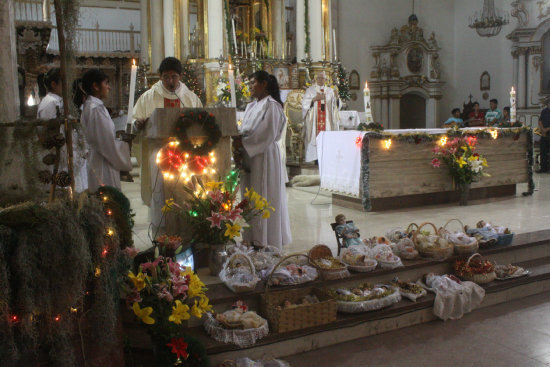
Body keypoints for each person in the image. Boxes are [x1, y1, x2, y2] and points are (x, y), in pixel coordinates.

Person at [132, 57, 202, 230]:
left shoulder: (189, 98)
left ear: (180, 76)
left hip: (184, 152)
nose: (170, 81)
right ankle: (161, 225)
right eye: (166, 77)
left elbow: (201, 121)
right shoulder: (149, 97)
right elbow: (134, 119)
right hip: (158, 153)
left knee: (184, 188)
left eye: (174, 77)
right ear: (160, 76)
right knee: (159, 190)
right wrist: (138, 124)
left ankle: (184, 222)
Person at [235, 70, 291, 250]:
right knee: (250, 196)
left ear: (264, 84)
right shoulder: (252, 106)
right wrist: (240, 140)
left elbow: (267, 133)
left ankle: (266, 239)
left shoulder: (272, 105)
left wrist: (242, 142)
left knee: (264, 194)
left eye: (253, 83)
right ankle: (251, 237)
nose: (250, 87)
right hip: (251, 155)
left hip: (265, 155)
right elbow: (247, 130)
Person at [78, 69, 132, 191]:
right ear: (96, 86)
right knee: (107, 199)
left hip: (98, 159)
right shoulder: (95, 109)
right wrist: (124, 149)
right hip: (102, 163)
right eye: (106, 83)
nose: (109, 87)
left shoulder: (91, 106)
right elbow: (106, 143)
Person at [37, 68, 88, 193]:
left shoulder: (56, 101)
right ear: (54, 84)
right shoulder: (51, 103)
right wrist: (76, 152)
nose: (67, 86)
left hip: (69, 155)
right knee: (64, 193)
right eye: (63, 82)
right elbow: (55, 133)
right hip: (61, 159)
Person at [302, 71, 340, 162]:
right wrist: (315, 99)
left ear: (326, 80)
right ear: (315, 79)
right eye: (318, 78)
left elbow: (335, 106)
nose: (320, 80)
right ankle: (315, 158)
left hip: (327, 120)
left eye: (322, 78)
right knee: (314, 137)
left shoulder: (330, 91)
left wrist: (337, 98)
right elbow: (304, 104)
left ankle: (327, 157)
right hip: (314, 120)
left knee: (327, 138)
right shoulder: (310, 90)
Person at [538, 100, 550, 173]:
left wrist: (546, 130)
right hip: (544, 133)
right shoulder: (544, 111)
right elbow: (540, 120)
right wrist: (543, 130)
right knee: (543, 151)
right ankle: (543, 168)